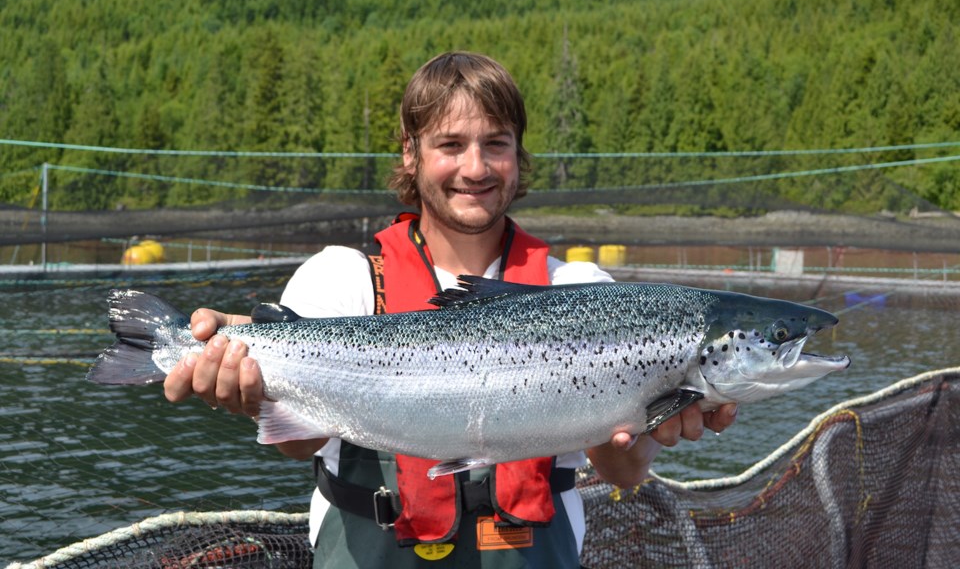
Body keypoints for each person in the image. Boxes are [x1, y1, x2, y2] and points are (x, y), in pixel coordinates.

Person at [163, 51, 738, 568]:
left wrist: (658, 420)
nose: (476, 168)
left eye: (496, 143)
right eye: (450, 145)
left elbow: (625, 471)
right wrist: (240, 374)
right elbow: (295, 442)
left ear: (518, 155)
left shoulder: (582, 290)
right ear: (410, 155)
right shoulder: (341, 279)